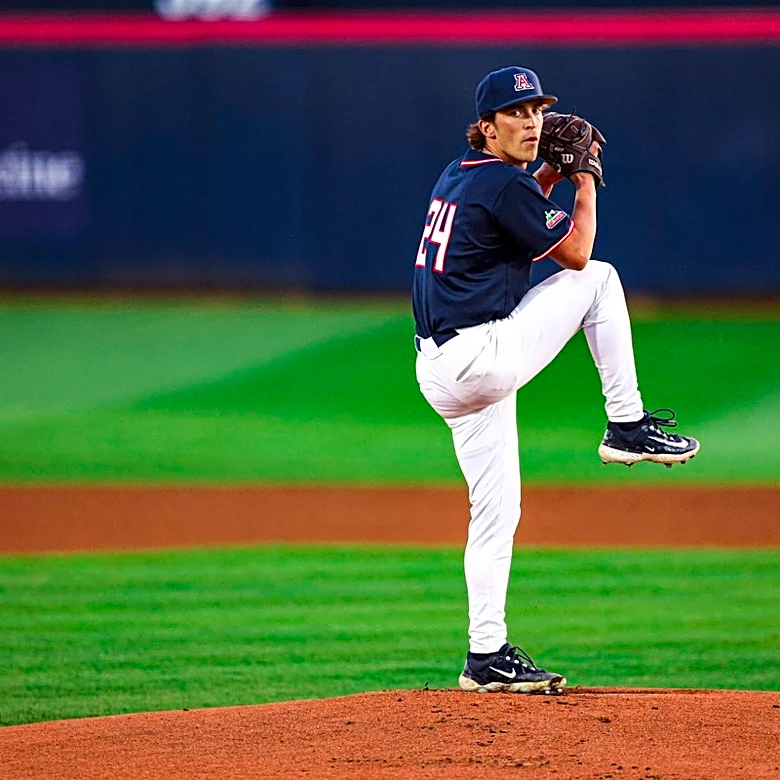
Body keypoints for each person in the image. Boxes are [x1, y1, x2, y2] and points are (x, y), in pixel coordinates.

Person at [411, 65, 699, 694]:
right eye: (516, 113)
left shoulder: (462, 174)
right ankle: (626, 424)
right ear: (487, 127)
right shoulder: (503, 184)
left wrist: (548, 174)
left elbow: (516, 218)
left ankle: (485, 656)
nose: (532, 121)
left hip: (441, 369)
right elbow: (575, 251)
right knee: (599, 278)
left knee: (497, 512)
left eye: (537, 110)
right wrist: (584, 179)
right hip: (480, 357)